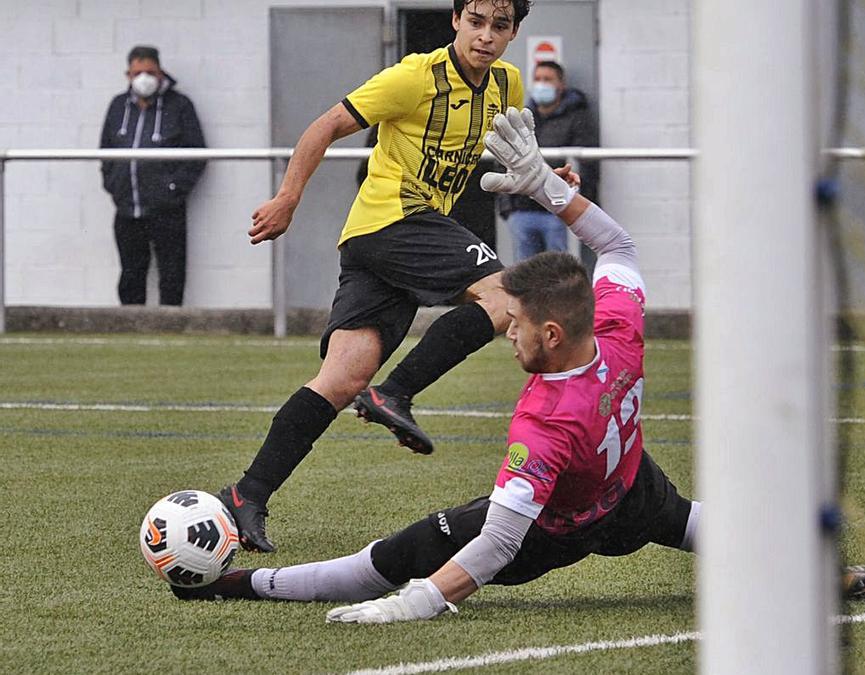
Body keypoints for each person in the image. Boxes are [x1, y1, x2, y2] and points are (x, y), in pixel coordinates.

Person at [173, 108, 700, 623]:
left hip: (557, 530)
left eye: (516, 323)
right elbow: (618, 246)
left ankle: (237, 583)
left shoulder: (545, 419)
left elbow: (497, 544)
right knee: (695, 525)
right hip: (631, 490)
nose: (507, 332)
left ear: (553, 334)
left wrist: (417, 600)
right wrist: (544, 185)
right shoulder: (617, 326)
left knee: (391, 559)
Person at [218, 0, 554, 554]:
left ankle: (245, 496)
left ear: (514, 31)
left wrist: (542, 176)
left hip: (375, 241)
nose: (485, 36)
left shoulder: (508, 86)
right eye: (476, 21)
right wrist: (287, 198)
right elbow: (325, 126)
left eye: (499, 26)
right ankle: (395, 393)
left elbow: (513, 160)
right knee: (510, 297)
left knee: (341, 377)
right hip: (395, 221)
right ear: (455, 20)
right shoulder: (413, 77)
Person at [99, 45, 206, 306]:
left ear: (160, 74)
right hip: (127, 209)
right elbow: (105, 152)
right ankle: (129, 331)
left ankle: (172, 332)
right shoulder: (117, 106)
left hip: (167, 210)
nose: (143, 78)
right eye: (137, 72)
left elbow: (197, 154)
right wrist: (114, 185)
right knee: (131, 274)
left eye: (149, 71)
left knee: (172, 273)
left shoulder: (179, 105)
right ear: (128, 75)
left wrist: (172, 189)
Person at [498, 61, 599, 261]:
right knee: (524, 275)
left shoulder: (577, 118)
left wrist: (575, 208)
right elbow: (503, 159)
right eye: (537, 79)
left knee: (560, 273)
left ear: (561, 85)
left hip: (558, 211)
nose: (541, 84)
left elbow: (587, 167)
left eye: (547, 79)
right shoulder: (523, 117)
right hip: (522, 210)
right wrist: (508, 208)